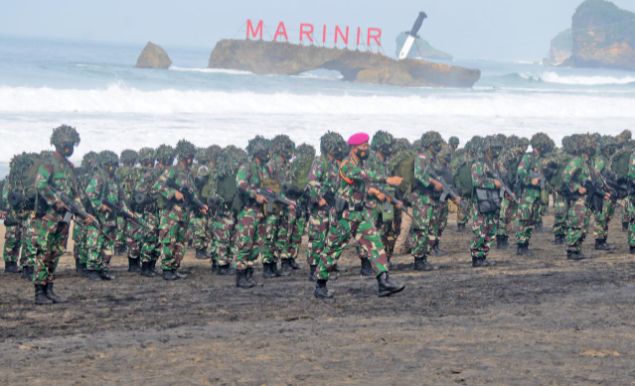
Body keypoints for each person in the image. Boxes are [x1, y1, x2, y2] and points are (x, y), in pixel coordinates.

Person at [317, 132, 405, 298]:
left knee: (375, 244)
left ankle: (384, 282)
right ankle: (320, 285)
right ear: (354, 148)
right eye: (363, 146)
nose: (366, 149)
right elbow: (364, 176)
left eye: (367, 145)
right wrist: (387, 180)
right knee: (332, 250)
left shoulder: (359, 164)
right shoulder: (347, 164)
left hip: (360, 214)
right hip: (345, 216)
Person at [29, 125, 96, 304]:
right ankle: (39, 291)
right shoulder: (49, 162)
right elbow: (40, 184)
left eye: (72, 144)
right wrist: (55, 201)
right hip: (47, 218)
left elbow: (75, 195)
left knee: (56, 253)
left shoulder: (69, 167)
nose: (70, 148)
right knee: (44, 253)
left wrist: (84, 214)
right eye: (67, 144)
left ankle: (49, 288)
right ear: (59, 144)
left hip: (64, 218)